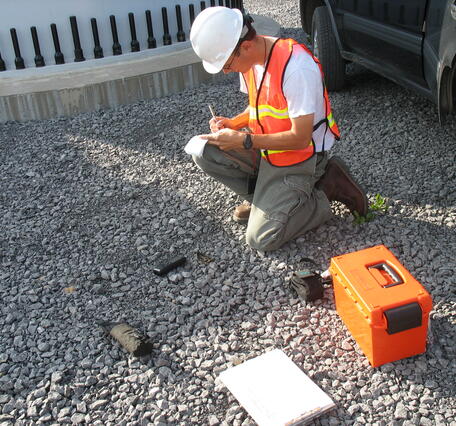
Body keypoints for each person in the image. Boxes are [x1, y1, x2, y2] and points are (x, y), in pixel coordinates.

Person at [189, 6, 368, 251]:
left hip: (301, 158)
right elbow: (261, 107)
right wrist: (233, 123)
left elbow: (300, 138)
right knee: (205, 151)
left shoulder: (296, 68)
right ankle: (267, 201)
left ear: (246, 46)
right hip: (269, 151)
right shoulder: (251, 61)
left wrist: (244, 141)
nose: (226, 70)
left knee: (261, 239)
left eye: (227, 64)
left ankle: (328, 187)